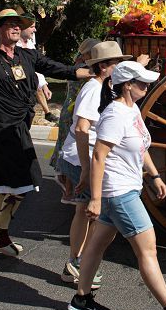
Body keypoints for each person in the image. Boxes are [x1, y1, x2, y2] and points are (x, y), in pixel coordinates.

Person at [68, 61, 166, 310]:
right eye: (142, 82)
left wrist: (154, 174)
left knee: (97, 245)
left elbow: (141, 146)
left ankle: (81, 299)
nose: (146, 86)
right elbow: (98, 155)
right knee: (148, 250)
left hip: (122, 189)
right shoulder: (116, 113)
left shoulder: (132, 110)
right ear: (127, 85)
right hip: (119, 192)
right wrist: (95, 198)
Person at [0, 9, 91, 256]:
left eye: (17, 24)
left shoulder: (27, 56)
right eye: (9, 24)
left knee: (8, 186)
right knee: (22, 184)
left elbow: (60, 69)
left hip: (20, 128)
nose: (14, 27)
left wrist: (94, 71)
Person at [59, 41, 147, 289]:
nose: (119, 66)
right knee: (87, 211)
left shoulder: (104, 86)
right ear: (104, 67)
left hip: (86, 157)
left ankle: (78, 262)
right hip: (82, 157)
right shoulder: (93, 88)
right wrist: (86, 168)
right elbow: (81, 128)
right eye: (116, 63)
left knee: (89, 211)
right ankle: (75, 263)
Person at [51, 37, 101, 194]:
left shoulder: (79, 65)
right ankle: (68, 190)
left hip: (71, 109)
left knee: (65, 145)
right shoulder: (85, 69)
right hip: (75, 111)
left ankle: (68, 189)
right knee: (70, 148)